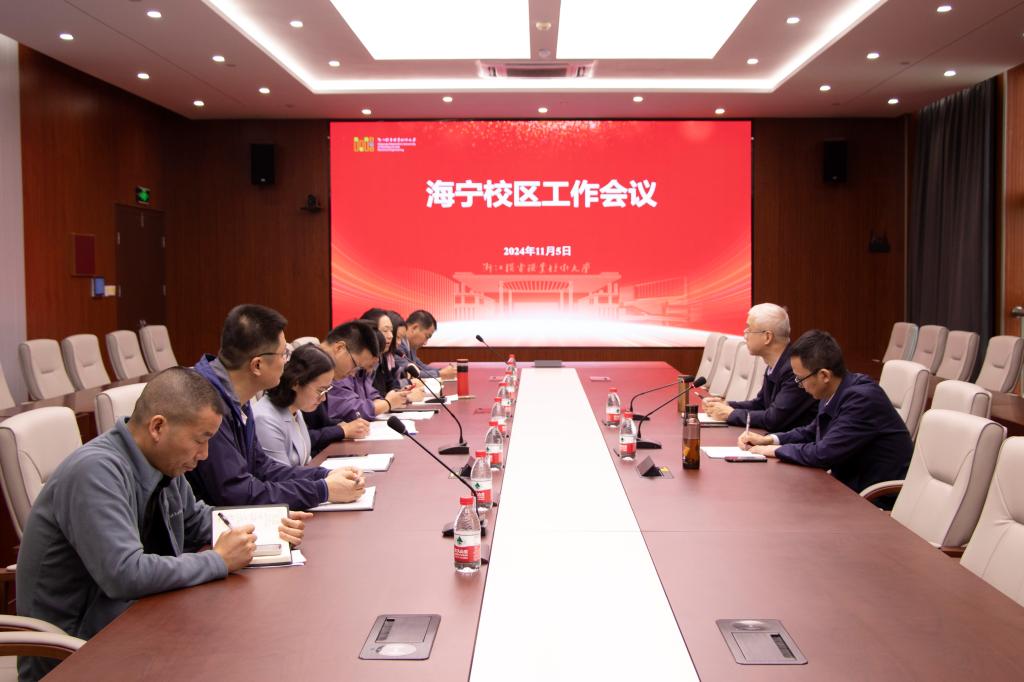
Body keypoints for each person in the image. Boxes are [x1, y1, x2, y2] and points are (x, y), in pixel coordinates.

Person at [15, 368, 311, 681]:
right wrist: (218, 560)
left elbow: (197, 520)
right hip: (79, 653)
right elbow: (124, 574)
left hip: (139, 622)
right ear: (158, 427)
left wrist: (267, 526)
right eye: (200, 440)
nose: (204, 454)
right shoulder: (95, 471)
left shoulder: (162, 463)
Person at [189, 304, 365, 510]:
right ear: (257, 365)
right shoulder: (207, 404)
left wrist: (324, 476)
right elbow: (237, 493)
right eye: (283, 354)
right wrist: (322, 490)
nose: (287, 362)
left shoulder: (236, 397)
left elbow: (263, 468)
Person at [738, 329, 914, 494]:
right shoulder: (835, 390)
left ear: (824, 375)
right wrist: (769, 439)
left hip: (874, 498)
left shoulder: (862, 399)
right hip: (847, 488)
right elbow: (812, 431)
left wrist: (774, 450)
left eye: (800, 379)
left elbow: (823, 453)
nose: (800, 385)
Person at [703, 303, 818, 431]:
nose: (745, 335)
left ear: (767, 337)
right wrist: (726, 405)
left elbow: (774, 419)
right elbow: (761, 404)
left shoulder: (795, 369)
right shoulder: (776, 363)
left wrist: (731, 414)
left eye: (749, 329)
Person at [254, 344, 336, 466]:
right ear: (295, 383)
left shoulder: (295, 410)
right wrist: (325, 477)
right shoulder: (265, 419)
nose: (323, 398)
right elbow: (280, 474)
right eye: (321, 390)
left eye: (327, 390)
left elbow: (306, 460)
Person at [402, 309, 457, 380]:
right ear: (414, 328)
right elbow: (410, 374)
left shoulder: (410, 345)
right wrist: (440, 373)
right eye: (427, 336)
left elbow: (421, 367)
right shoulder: (397, 345)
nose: (425, 343)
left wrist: (442, 371)